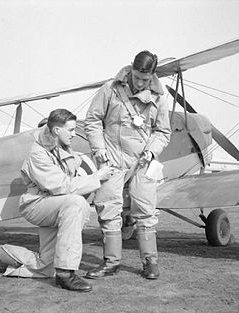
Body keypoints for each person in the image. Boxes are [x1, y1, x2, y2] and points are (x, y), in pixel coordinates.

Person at [0, 108, 114, 292]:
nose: (75, 134)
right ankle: (66, 273)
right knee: (76, 203)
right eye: (71, 130)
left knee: (45, 267)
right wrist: (97, 178)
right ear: (56, 130)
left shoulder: (63, 148)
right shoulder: (38, 153)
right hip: (37, 204)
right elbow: (61, 185)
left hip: (55, 206)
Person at [84, 50, 171, 280]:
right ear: (131, 69)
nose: (140, 83)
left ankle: (150, 263)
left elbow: (163, 132)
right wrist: (98, 149)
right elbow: (92, 120)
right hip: (111, 157)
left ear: (152, 75)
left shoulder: (160, 97)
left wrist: (152, 151)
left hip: (142, 160)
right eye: (136, 77)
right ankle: (111, 263)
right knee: (108, 207)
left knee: (145, 210)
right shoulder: (110, 89)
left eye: (145, 79)